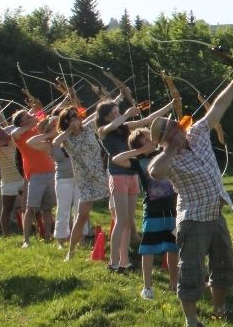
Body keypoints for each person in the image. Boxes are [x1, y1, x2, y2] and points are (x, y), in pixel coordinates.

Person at [148, 71, 233, 327]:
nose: (178, 132)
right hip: (193, 220)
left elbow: (217, 109)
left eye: (177, 127)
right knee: (191, 270)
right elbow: (154, 172)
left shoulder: (198, 133)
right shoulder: (168, 158)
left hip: (215, 213)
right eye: (171, 132)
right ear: (165, 141)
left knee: (224, 264)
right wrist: (169, 149)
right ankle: (191, 321)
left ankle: (220, 309)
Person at [97, 99, 172, 271]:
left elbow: (148, 120)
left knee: (128, 222)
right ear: (106, 117)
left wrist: (170, 105)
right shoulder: (103, 130)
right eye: (114, 113)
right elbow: (112, 126)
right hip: (118, 176)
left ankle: (124, 261)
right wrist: (125, 115)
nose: (118, 116)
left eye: (118, 112)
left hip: (132, 175)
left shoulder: (124, 126)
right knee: (121, 220)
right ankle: (113, 261)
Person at [112, 128, 178, 298]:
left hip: (172, 207)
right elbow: (116, 159)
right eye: (147, 140)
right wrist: (140, 151)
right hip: (152, 210)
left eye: (151, 138)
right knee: (148, 249)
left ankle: (173, 283)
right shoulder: (137, 161)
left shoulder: (162, 154)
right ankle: (147, 287)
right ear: (139, 145)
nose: (152, 141)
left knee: (173, 247)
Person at [52, 106, 111, 261]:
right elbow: (55, 142)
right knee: (82, 216)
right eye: (72, 116)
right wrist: (69, 131)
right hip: (85, 181)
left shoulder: (89, 127)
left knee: (117, 210)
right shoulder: (66, 138)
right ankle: (70, 253)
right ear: (65, 121)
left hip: (103, 175)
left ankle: (127, 244)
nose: (76, 118)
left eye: (76, 115)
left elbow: (101, 112)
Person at [27, 115, 81, 248]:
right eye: (50, 128)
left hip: (79, 178)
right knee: (63, 210)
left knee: (80, 210)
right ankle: (61, 241)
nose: (55, 128)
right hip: (63, 180)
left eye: (55, 126)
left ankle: (81, 239)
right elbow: (30, 142)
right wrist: (51, 134)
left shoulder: (70, 137)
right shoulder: (49, 145)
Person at [9, 110, 56, 247]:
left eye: (30, 116)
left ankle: (48, 236)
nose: (31, 117)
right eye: (27, 117)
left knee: (48, 208)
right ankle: (26, 240)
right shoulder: (19, 134)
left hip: (50, 171)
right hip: (34, 174)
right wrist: (31, 124)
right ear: (21, 122)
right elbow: (13, 133)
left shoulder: (38, 128)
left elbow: (49, 127)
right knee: (30, 208)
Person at [0, 124, 26, 237]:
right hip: (8, 181)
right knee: (7, 209)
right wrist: (3, 141)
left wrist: (8, 139)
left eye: (4, 132)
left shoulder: (13, 142)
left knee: (26, 207)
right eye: (2, 133)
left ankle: (29, 230)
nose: (6, 134)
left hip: (21, 178)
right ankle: (6, 234)